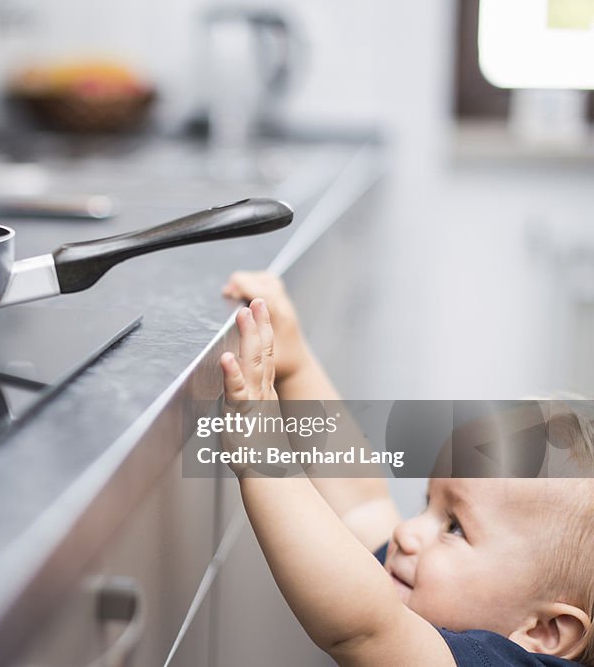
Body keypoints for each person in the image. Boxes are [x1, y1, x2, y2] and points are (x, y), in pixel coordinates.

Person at [218, 270, 594, 666]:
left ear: (543, 632)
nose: (406, 531)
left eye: (454, 527)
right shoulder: (426, 588)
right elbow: (362, 505)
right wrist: (295, 368)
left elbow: (363, 627)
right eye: (426, 504)